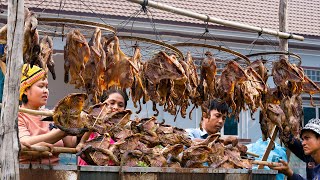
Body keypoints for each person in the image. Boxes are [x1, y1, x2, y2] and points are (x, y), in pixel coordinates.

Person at [18, 64, 77, 164]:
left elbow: (70, 143)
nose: (46, 91)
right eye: (41, 86)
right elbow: (24, 144)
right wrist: (61, 131)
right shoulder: (19, 116)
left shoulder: (52, 115)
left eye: (47, 87)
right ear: (26, 90)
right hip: (26, 174)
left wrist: (76, 124)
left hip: (56, 174)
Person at [76, 88, 129, 165]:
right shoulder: (90, 124)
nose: (116, 107)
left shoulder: (125, 134)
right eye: (112, 103)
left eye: (120, 105)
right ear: (102, 104)